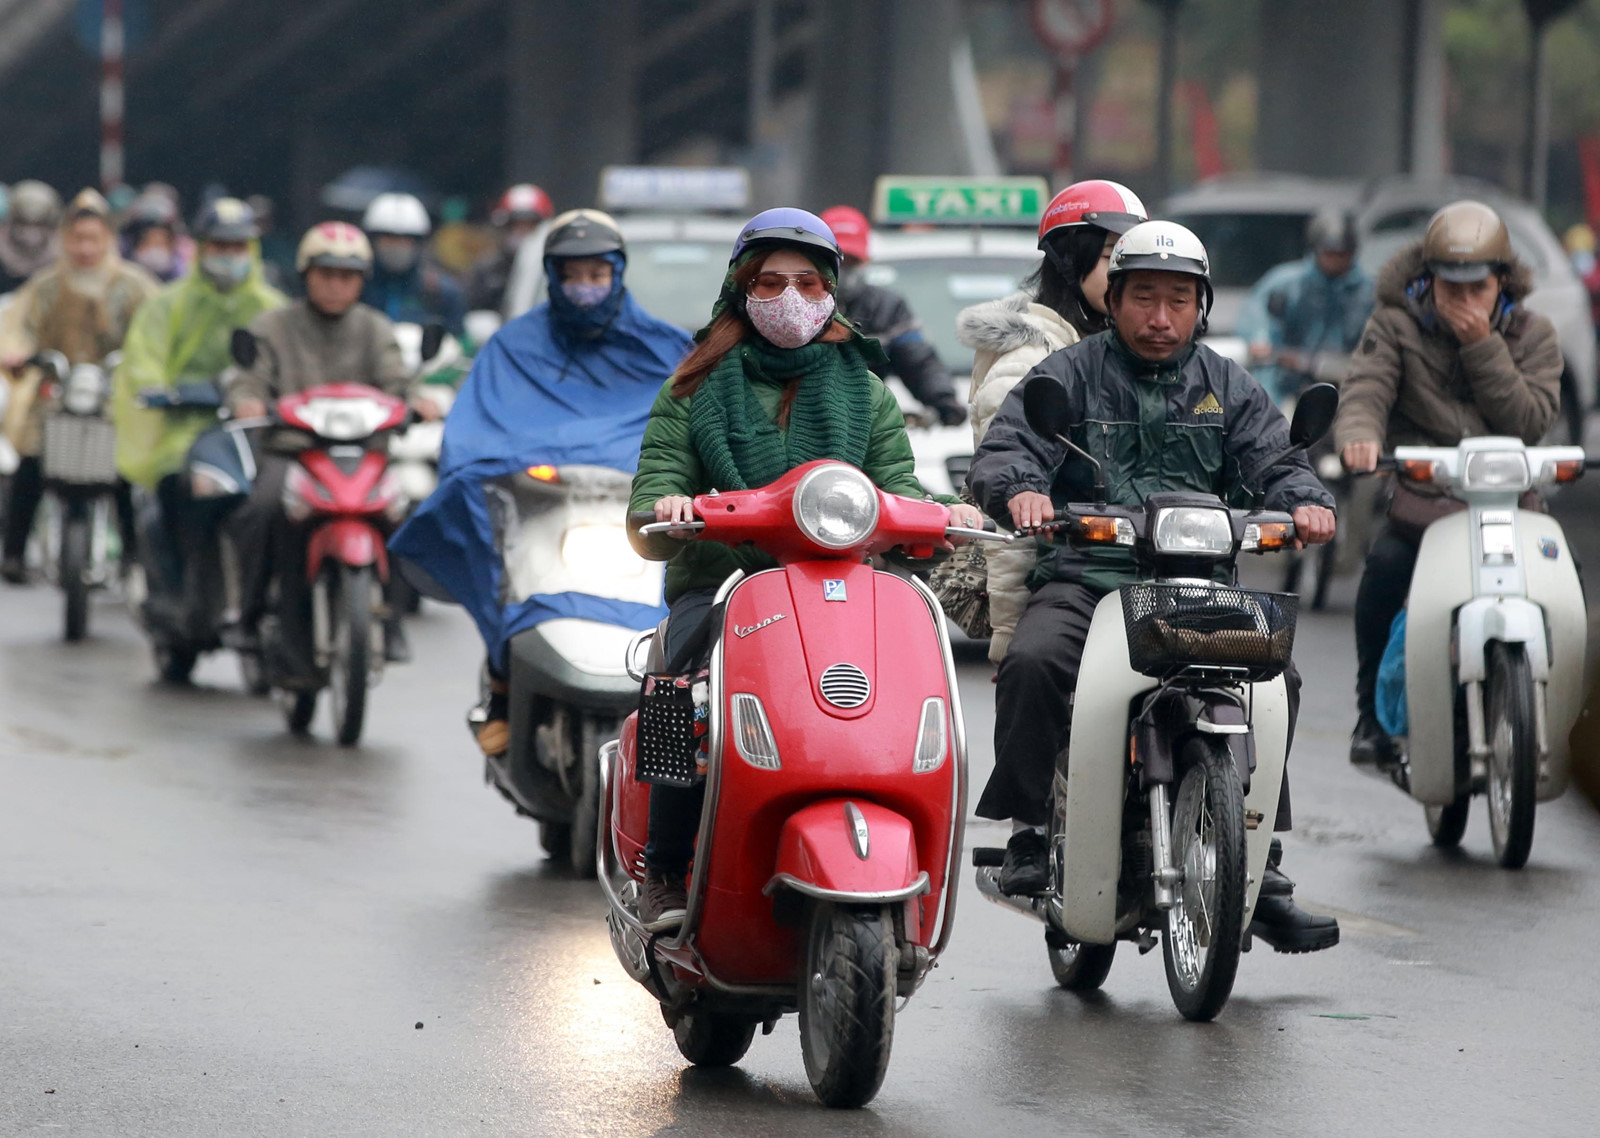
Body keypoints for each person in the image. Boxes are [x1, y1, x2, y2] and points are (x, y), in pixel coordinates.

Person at [968, 219, 1340, 953]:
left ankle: (1260, 859)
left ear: (1201, 306)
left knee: (1278, 680)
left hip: (1200, 585)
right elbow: (1007, 450)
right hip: (1088, 580)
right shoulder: (1066, 375)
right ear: (1113, 300)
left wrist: (1306, 502)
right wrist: (1021, 491)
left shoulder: (1227, 385)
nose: (1160, 317)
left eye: (1178, 299)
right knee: (1036, 661)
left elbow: (1279, 460)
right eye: (1143, 297)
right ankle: (1031, 832)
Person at [626, 207, 982, 928]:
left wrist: (948, 512)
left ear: (831, 293)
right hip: (724, 584)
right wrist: (672, 507)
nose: (791, 298)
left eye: (808, 284)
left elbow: (896, 488)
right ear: (742, 290)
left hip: (842, 587)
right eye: (771, 283)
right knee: (680, 684)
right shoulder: (691, 387)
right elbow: (652, 496)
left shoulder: (867, 391)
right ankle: (662, 867)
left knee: (902, 685)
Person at [390, 208, 693, 752]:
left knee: (694, 612)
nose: (585, 286)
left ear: (618, 273)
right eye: (572, 275)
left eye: (597, 274)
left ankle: (677, 739)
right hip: (541, 506)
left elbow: (696, 432)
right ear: (552, 276)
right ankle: (503, 685)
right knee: (500, 558)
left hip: (637, 513)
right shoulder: (513, 347)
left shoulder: (667, 348)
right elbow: (474, 435)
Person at [1335, 201, 1562, 767]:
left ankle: (1559, 715)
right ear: (1427, 279)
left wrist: (1481, 345)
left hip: (1511, 507)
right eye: (1450, 288)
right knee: (1384, 570)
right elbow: (1366, 390)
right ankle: (1370, 717)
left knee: (1565, 582)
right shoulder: (1394, 324)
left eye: (1477, 288)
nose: (1463, 301)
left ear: (1502, 282)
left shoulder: (1534, 333)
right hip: (1425, 504)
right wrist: (1359, 437)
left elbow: (1531, 420)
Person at [955, 179, 1147, 663]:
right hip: (1066, 584)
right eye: (1112, 257)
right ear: (1067, 260)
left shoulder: (1137, 354)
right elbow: (1013, 519)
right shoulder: (1030, 363)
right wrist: (1014, 635)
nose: (1129, 272)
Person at [226, 222, 425, 680]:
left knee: (403, 511)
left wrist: (416, 402)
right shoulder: (274, 326)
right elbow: (249, 379)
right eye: (326, 274)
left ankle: (393, 619)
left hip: (363, 455)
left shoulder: (374, 328)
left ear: (361, 281)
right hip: (293, 453)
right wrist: (247, 400)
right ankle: (249, 615)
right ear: (306, 275)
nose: (336, 285)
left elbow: (398, 381)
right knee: (263, 507)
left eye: (347, 276)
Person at [111, 198, 285, 592]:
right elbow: (144, 356)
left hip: (252, 429)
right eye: (220, 246)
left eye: (238, 247)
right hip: (186, 424)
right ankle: (176, 582)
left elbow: (286, 367)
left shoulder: (272, 308)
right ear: (201, 248)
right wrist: (156, 388)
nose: (229, 256)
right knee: (175, 481)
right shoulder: (167, 304)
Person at [0, 189, 158, 582]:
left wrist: (146, 367)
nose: (85, 248)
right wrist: (16, 353)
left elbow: (155, 331)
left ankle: (133, 553)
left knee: (123, 469)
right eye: (77, 238)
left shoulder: (132, 285)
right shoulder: (47, 285)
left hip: (112, 393)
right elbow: (18, 325)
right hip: (59, 391)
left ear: (108, 239)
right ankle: (14, 553)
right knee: (31, 460)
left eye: (93, 239)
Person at [819, 205, 967, 427]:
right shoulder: (797, 302)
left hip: (861, 421)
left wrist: (943, 400)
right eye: (837, 260)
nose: (843, 270)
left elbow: (918, 360)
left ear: (865, 261)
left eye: (851, 261)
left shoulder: (887, 307)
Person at [1237, 208, 1374, 403]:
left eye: (1342, 254)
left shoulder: (1368, 293)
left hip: (1344, 378)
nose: (1335, 260)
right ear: (1316, 250)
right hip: (1286, 380)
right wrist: (1261, 339)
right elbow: (1255, 312)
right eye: (1329, 253)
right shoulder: (1288, 283)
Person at [360, 192, 466, 337]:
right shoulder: (357, 287)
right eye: (388, 238)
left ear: (418, 243)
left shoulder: (441, 291)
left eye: (405, 240)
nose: (397, 247)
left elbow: (459, 339)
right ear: (373, 240)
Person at [466, 184, 554, 313]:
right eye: (515, 224)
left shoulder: (552, 267)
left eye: (530, 225)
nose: (522, 232)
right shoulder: (489, 267)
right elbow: (475, 307)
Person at [120, 192, 185, 283]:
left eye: (161, 243)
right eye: (148, 242)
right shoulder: (119, 278)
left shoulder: (182, 277)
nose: (154, 250)